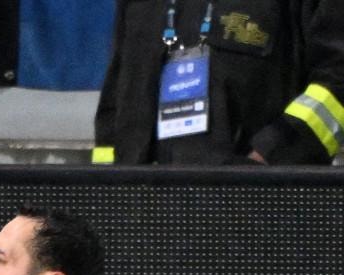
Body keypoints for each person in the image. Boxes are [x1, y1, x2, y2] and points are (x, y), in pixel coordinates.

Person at [93, 0, 344, 165]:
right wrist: (105, 195)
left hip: (256, 205)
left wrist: (270, 156)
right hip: (140, 205)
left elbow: (337, 81)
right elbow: (115, 99)